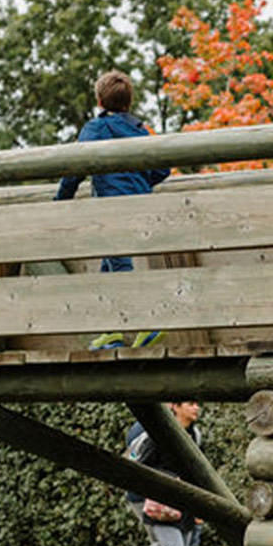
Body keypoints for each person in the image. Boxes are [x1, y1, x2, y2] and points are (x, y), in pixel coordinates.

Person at [55, 69, 171, 349]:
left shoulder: (96, 128)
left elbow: (75, 168)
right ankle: (111, 331)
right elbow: (164, 167)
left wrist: (61, 201)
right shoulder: (141, 129)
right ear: (128, 102)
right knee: (110, 266)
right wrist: (142, 181)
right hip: (141, 205)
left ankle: (146, 323)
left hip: (111, 208)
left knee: (119, 266)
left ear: (99, 101)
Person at [124, 401, 208, 546]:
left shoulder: (195, 435)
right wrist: (168, 483)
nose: (197, 408)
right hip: (160, 505)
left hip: (186, 506)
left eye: (198, 403)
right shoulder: (156, 435)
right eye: (191, 403)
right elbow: (138, 465)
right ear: (175, 407)